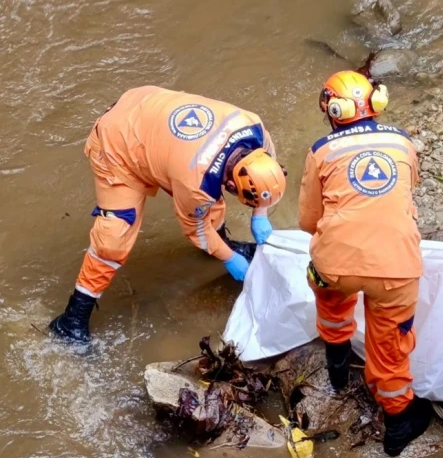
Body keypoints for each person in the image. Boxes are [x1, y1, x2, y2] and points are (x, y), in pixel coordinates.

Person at [50, 86, 286, 343]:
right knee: (113, 239)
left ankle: (218, 246)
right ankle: (71, 318)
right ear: (231, 184)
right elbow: (196, 228)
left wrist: (259, 215)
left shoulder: (256, 130)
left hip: (150, 112)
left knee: (210, 203)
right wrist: (229, 257)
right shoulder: (195, 181)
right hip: (118, 144)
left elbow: (266, 181)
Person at [298, 70, 431, 457]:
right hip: (396, 268)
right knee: (390, 348)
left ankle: (338, 372)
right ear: (376, 103)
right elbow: (407, 192)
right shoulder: (402, 142)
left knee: (332, 300)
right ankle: (398, 429)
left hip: (334, 266)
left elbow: (308, 221)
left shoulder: (321, 150)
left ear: (331, 110)